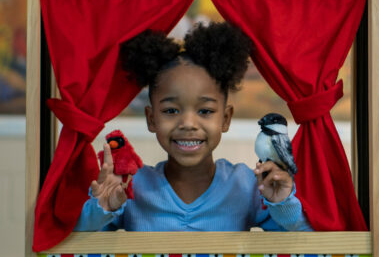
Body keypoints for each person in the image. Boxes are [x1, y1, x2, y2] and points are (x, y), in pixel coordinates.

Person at [74, 22, 312, 232]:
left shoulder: (247, 185)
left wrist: (282, 204)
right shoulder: (130, 185)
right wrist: (102, 207)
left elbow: (306, 237)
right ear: (151, 119)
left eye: (205, 111)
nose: (188, 124)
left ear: (226, 119)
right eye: (171, 111)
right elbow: (73, 240)